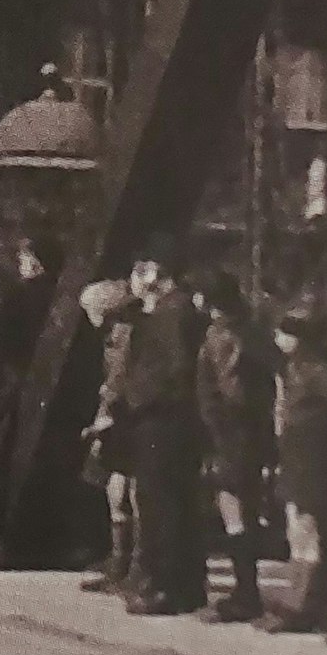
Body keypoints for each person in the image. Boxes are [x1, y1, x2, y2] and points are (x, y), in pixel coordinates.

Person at [113, 231, 207, 615]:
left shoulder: (170, 313)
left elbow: (171, 370)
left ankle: (164, 587)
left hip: (161, 421)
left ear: (155, 271)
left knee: (160, 503)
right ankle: (184, 586)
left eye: (141, 269)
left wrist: (137, 400)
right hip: (172, 421)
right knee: (176, 502)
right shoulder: (175, 310)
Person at [256, 297, 327, 635]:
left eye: (283, 334)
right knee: (297, 526)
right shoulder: (292, 369)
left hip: (312, 456)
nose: (278, 339)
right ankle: (299, 597)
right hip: (295, 455)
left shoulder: (316, 370)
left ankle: (304, 602)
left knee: (306, 529)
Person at [193, 268, 273, 623]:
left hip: (228, 432)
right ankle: (246, 588)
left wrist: (216, 422)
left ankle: (245, 593)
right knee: (245, 507)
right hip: (251, 431)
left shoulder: (220, 335)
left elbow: (229, 388)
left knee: (233, 509)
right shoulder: (251, 328)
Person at [76, 277, 139, 595]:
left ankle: (124, 561)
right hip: (116, 416)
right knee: (117, 488)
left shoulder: (123, 338)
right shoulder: (116, 337)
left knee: (122, 489)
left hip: (121, 420)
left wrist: (106, 415)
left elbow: (120, 380)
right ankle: (120, 559)